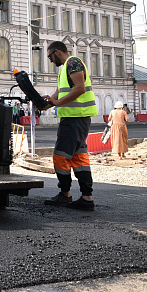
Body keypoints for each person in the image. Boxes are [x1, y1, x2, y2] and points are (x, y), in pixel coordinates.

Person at [42, 41, 98, 211]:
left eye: (50, 56)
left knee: (60, 156)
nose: (50, 60)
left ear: (56, 52)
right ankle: (86, 198)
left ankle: (65, 194)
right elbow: (61, 92)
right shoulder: (67, 67)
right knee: (78, 158)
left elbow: (80, 88)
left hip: (74, 120)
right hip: (75, 119)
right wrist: (47, 104)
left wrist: (57, 102)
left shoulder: (73, 63)